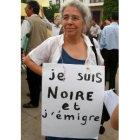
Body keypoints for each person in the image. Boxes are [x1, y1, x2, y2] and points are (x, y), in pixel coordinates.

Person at [23, 0, 104, 139]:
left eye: (75, 18)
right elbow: (28, 60)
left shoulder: (92, 44)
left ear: (84, 23)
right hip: (58, 120)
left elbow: (101, 65)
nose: (69, 22)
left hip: (84, 120)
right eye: (65, 17)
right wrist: (48, 75)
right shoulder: (52, 43)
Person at [21, 0, 47, 108]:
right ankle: (35, 94)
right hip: (43, 55)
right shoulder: (43, 22)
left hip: (32, 55)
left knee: (32, 79)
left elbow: (21, 36)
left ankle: (34, 102)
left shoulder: (28, 21)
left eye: (26, 8)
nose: (25, 10)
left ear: (31, 9)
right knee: (37, 78)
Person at [99, 11, 119, 92]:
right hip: (116, 52)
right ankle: (111, 89)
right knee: (113, 71)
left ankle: (101, 88)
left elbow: (102, 41)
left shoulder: (106, 28)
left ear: (111, 18)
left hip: (106, 52)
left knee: (104, 70)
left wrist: (100, 52)